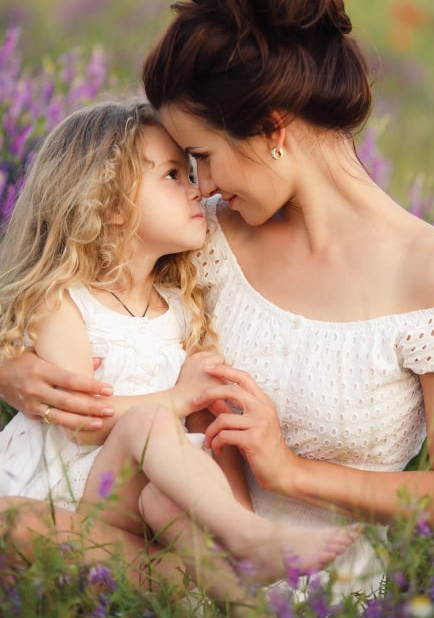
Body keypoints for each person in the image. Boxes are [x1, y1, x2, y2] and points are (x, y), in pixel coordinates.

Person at [0, 0, 434, 601]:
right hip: (150, 549)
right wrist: (17, 368)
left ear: (272, 128)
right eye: (182, 168)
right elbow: (71, 275)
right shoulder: (201, 235)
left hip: (314, 588)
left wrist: (291, 472)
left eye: (200, 157)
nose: (200, 186)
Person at [0, 100, 356, 606]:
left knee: (163, 497)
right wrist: (175, 398)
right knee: (146, 426)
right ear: (111, 203)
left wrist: (207, 432)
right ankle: (241, 543)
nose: (198, 188)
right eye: (173, 174)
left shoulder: (180, 309)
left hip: (141, 516)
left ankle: (236, 584)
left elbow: (210, 431)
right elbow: (79, 421)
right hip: (79, 498)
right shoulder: (64, 302)